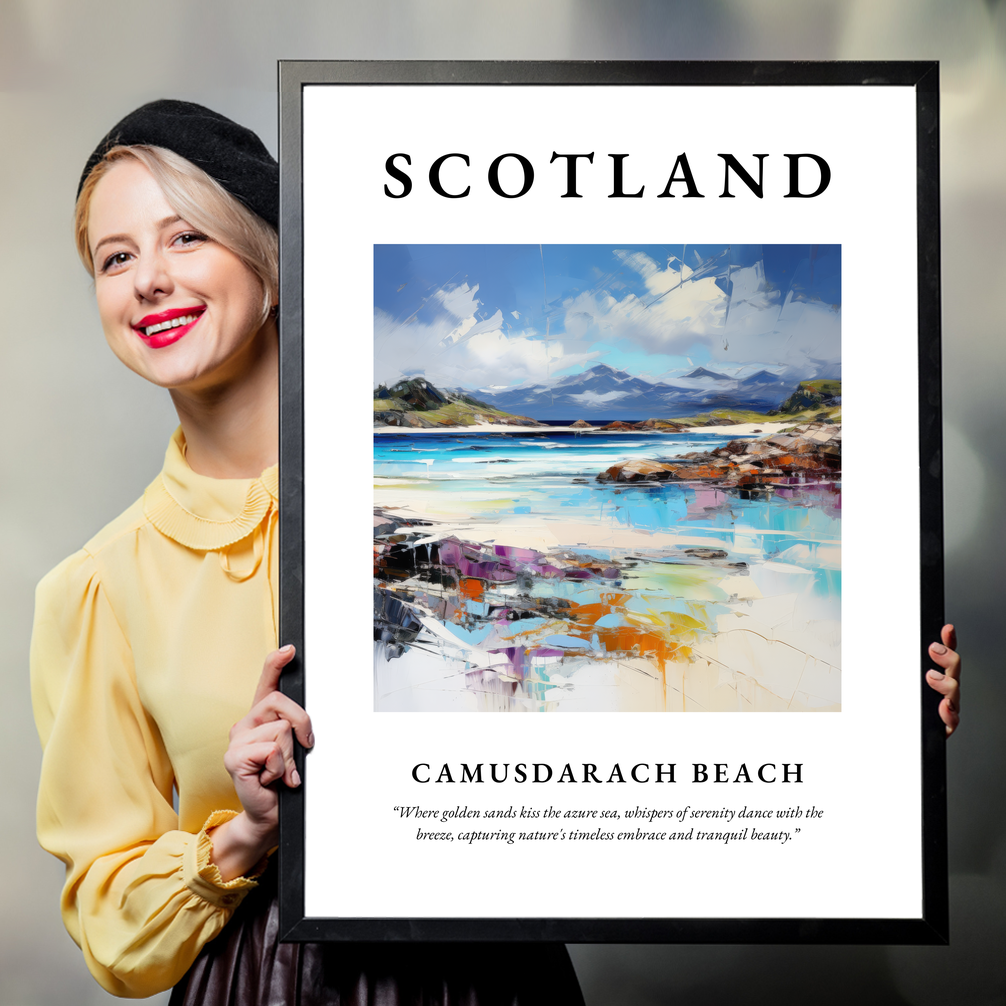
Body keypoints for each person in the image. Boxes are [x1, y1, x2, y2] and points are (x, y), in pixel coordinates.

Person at [30, 100, 586, 1004]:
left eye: (185, 238)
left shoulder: (444, 506)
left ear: (273, 263)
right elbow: (110, 923)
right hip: (263, 982)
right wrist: (245, 832)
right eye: (116, 257)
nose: (148, 281)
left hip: (493, 973)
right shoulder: (97, 587)